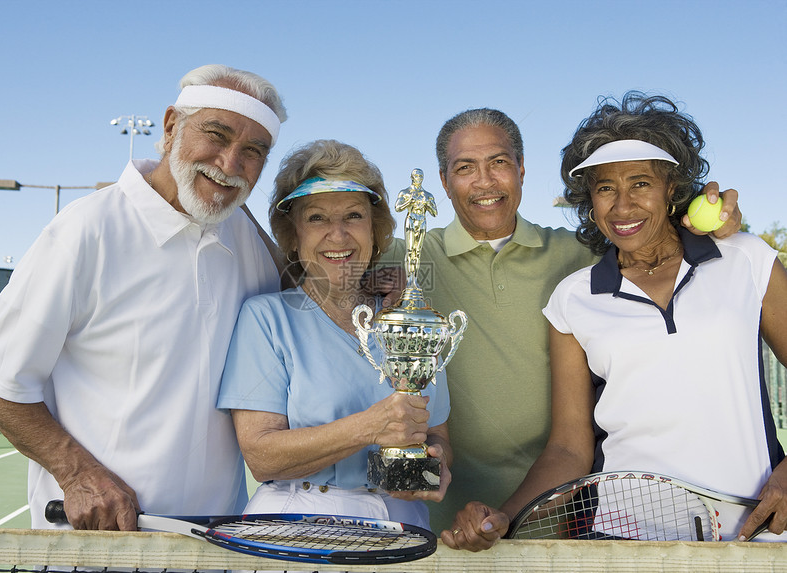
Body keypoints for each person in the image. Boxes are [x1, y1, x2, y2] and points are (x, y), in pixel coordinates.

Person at [442, 92, 787, 548]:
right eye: (605, 188)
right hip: (625, 539)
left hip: (754, 532)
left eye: (641, 183)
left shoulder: (746, 259)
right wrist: (503, 518)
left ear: (672, 189)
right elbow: (569, 448)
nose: (622, 205)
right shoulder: (573, 297)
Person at [377, 106, 743, 532]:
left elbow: (651, 236)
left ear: (521, 169)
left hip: (563, 507)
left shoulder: (580, 256)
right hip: (442, 506)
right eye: (465, 168)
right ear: (444, 181)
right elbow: (320, 270)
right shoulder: (405, 257)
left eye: (498, 163)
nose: (484, 181)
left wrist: (712, 219)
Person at [0, 64, 287, 530]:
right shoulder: (86, 229)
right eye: (216, 135)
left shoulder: (248, 243)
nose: (230, 163)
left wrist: (375, 284)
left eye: (254, 151)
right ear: (171, 125)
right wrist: (78, 473)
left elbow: (309, 303)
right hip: (95, 546)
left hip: (215, 544)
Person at [217, 140, 451, 530]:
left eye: (354, 216)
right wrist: (369, 426)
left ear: (376, 232)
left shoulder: (409, 322)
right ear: (292, 235)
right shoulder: (267, 318)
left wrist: (435, 466)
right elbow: (261, 455)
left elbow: (438, 436)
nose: (338, 235)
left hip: (404, 524)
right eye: (317, 218)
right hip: (296, 522)